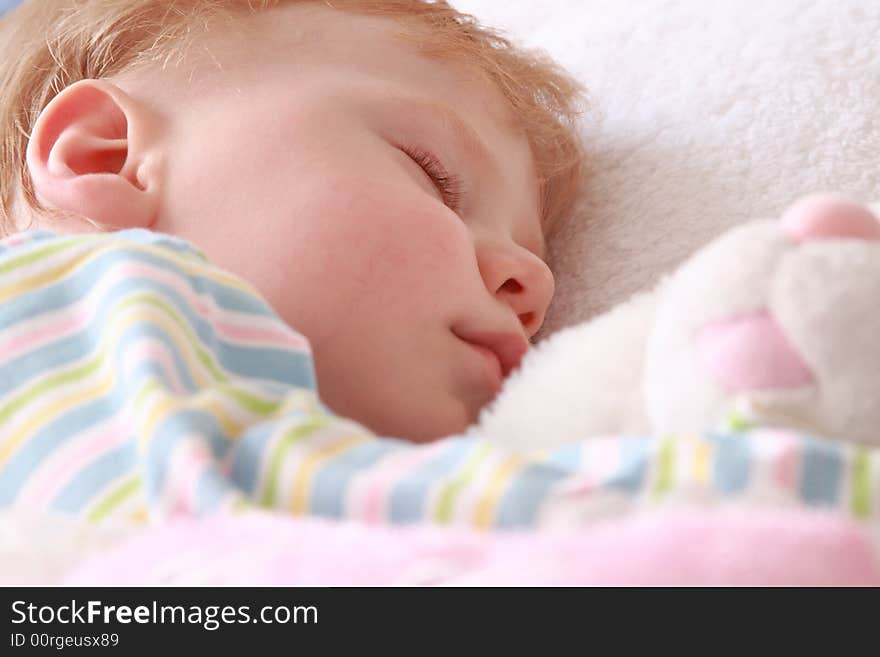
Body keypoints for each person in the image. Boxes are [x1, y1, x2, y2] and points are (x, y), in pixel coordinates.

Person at [0, 0, 585, 524]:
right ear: (101, 156)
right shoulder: (85, 309)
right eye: (435, 178)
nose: (534, 283)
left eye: (532, 253)